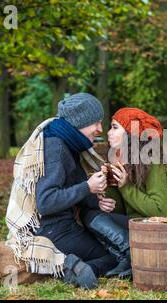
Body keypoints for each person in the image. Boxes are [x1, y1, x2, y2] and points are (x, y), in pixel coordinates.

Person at [29, 93, 130, 287]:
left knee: (118, 246)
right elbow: (46, 201)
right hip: (54, 230)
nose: (100, 129)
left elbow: (70, 188)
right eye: (96, 123)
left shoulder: (67, 143)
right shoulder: (56, 147)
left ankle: (78, 265)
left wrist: (96, 200)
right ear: (79, 122)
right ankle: (69, 269)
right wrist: (87, 187)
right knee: (113, 257)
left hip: (66, 224)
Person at [103, 107, 167, 219]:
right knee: (94, 217)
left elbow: (160, 211)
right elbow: (122, 211)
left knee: (96, 220)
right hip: (134, 224)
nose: (109, 133)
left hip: (161, 228)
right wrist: (108, 185)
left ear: (130, 133)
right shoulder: (122, 162)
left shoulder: (153, 163)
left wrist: (126, 187)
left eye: (115, 127)